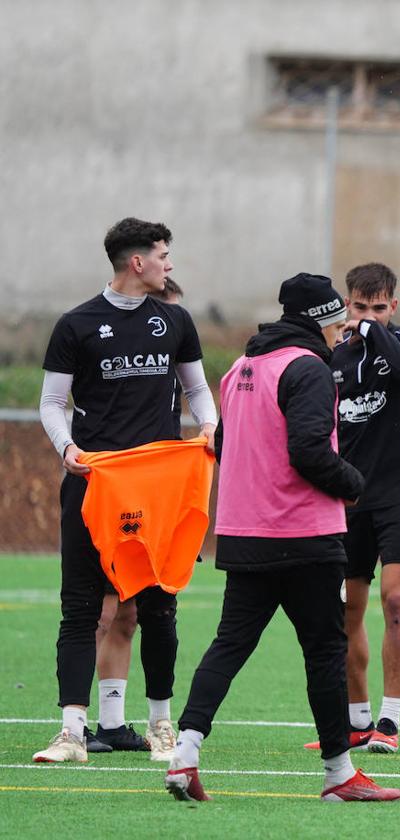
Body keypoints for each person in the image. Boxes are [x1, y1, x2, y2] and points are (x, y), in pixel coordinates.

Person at [165, 273, 400, 803]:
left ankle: (185, 753)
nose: (344, 330)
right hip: (303, 534)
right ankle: (340, 774)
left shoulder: (240, 368)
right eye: (338, 320)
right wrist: (354, 483)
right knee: (323, 650)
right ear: (320, 320)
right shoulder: (309, 368)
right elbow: (310, 452)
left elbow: (225, 445)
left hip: (244, 534)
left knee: (230, 644)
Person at [35, 219, 217, 763]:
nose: (169, 264)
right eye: (163, 255)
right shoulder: (77, 324)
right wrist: (68, 451)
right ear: (136, 262)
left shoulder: (176, 320)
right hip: (97, 485)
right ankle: (72, 732)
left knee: (160, 608)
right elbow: (51, 404)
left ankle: (162, 724)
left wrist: (209, 427)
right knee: (81, 610)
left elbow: (197, 388)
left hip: (159, 489)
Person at [318, 262, 400, 754]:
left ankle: (390, 719)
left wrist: (370, 330)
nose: (368, 317)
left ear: (394, 307)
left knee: (396, 599)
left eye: (378, 308)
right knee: (345, 610)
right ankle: (358, 720)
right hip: (349, 498)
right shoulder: (334, 358)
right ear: (347, 303)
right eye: (359, 308)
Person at [87, 277, 188, 755]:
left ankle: (154, 720)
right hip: (118, 489)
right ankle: (104, 722)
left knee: (150, 611)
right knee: (109, 610)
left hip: (161, 494)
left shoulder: (176, 362)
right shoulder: (117, 354)